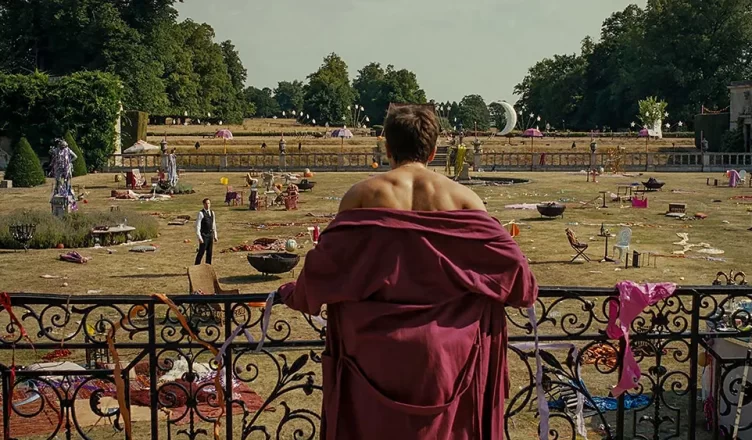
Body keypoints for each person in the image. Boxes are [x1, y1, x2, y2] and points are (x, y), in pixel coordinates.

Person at [278, 105, 538, 440]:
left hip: (370, 356)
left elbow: (323, 271)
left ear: (387, 148)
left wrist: (291, 293)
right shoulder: (464, 199)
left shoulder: (362, 196)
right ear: (432, 150)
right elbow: (518, 279)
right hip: (449, 360)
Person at [195, 198, 218, 265]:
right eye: (206, 203)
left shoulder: (212, 213)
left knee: (209, 252)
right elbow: (198, 226)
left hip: (210, 235)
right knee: (201, 252)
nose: (207, 205)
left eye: (208, 203)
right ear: (203, 204)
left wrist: (215, 235)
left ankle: (208, 266)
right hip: (204, 235)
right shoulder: (201, 213)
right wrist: (199, 237)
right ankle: (196, 266)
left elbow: (213, 224)